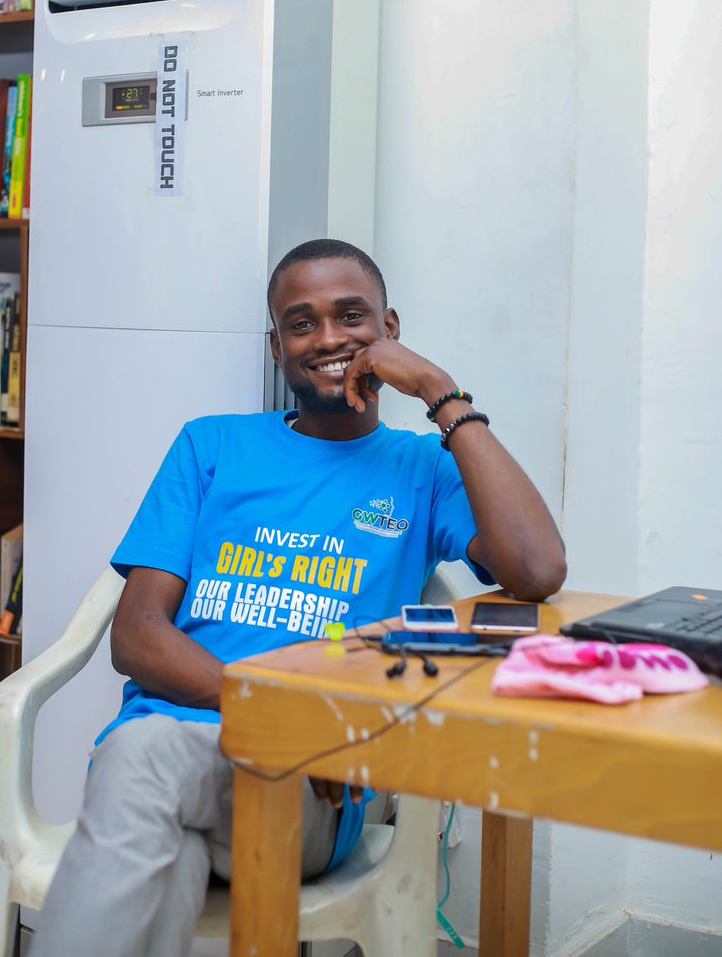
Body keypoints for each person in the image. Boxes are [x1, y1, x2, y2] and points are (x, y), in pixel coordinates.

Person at [31, 238, 566, 957]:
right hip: (179, 757)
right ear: (276, 344)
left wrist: (440, 391)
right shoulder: (212, 445)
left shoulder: (421, 469)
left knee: (139, 759)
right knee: (159, 815)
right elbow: (137, 637)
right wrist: (281, 712)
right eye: (302, 322)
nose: (329, 338)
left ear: (391, 329)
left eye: (352, 316)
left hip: (307, 783)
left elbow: (536, 568)